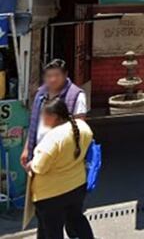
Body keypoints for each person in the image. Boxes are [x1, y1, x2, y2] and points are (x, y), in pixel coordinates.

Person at [27, 98, 95, 239]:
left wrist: (30, 164)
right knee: (77, 220)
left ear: (55, 117)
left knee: (52, 230)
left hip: (50, 194)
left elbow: (40, 167)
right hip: (77, 186)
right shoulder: (82, 127)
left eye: (44, 117)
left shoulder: (52, 138)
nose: (42, 121)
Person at [23, 60, 86, 170]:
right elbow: (34, 124)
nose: (52, 79)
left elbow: (80, 129)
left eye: (57, 75)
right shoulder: (41, 94)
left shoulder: (76, 95)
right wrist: (26, 149)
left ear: (65, 75)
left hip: (61, 157)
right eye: (49, 76)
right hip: (38, 153)